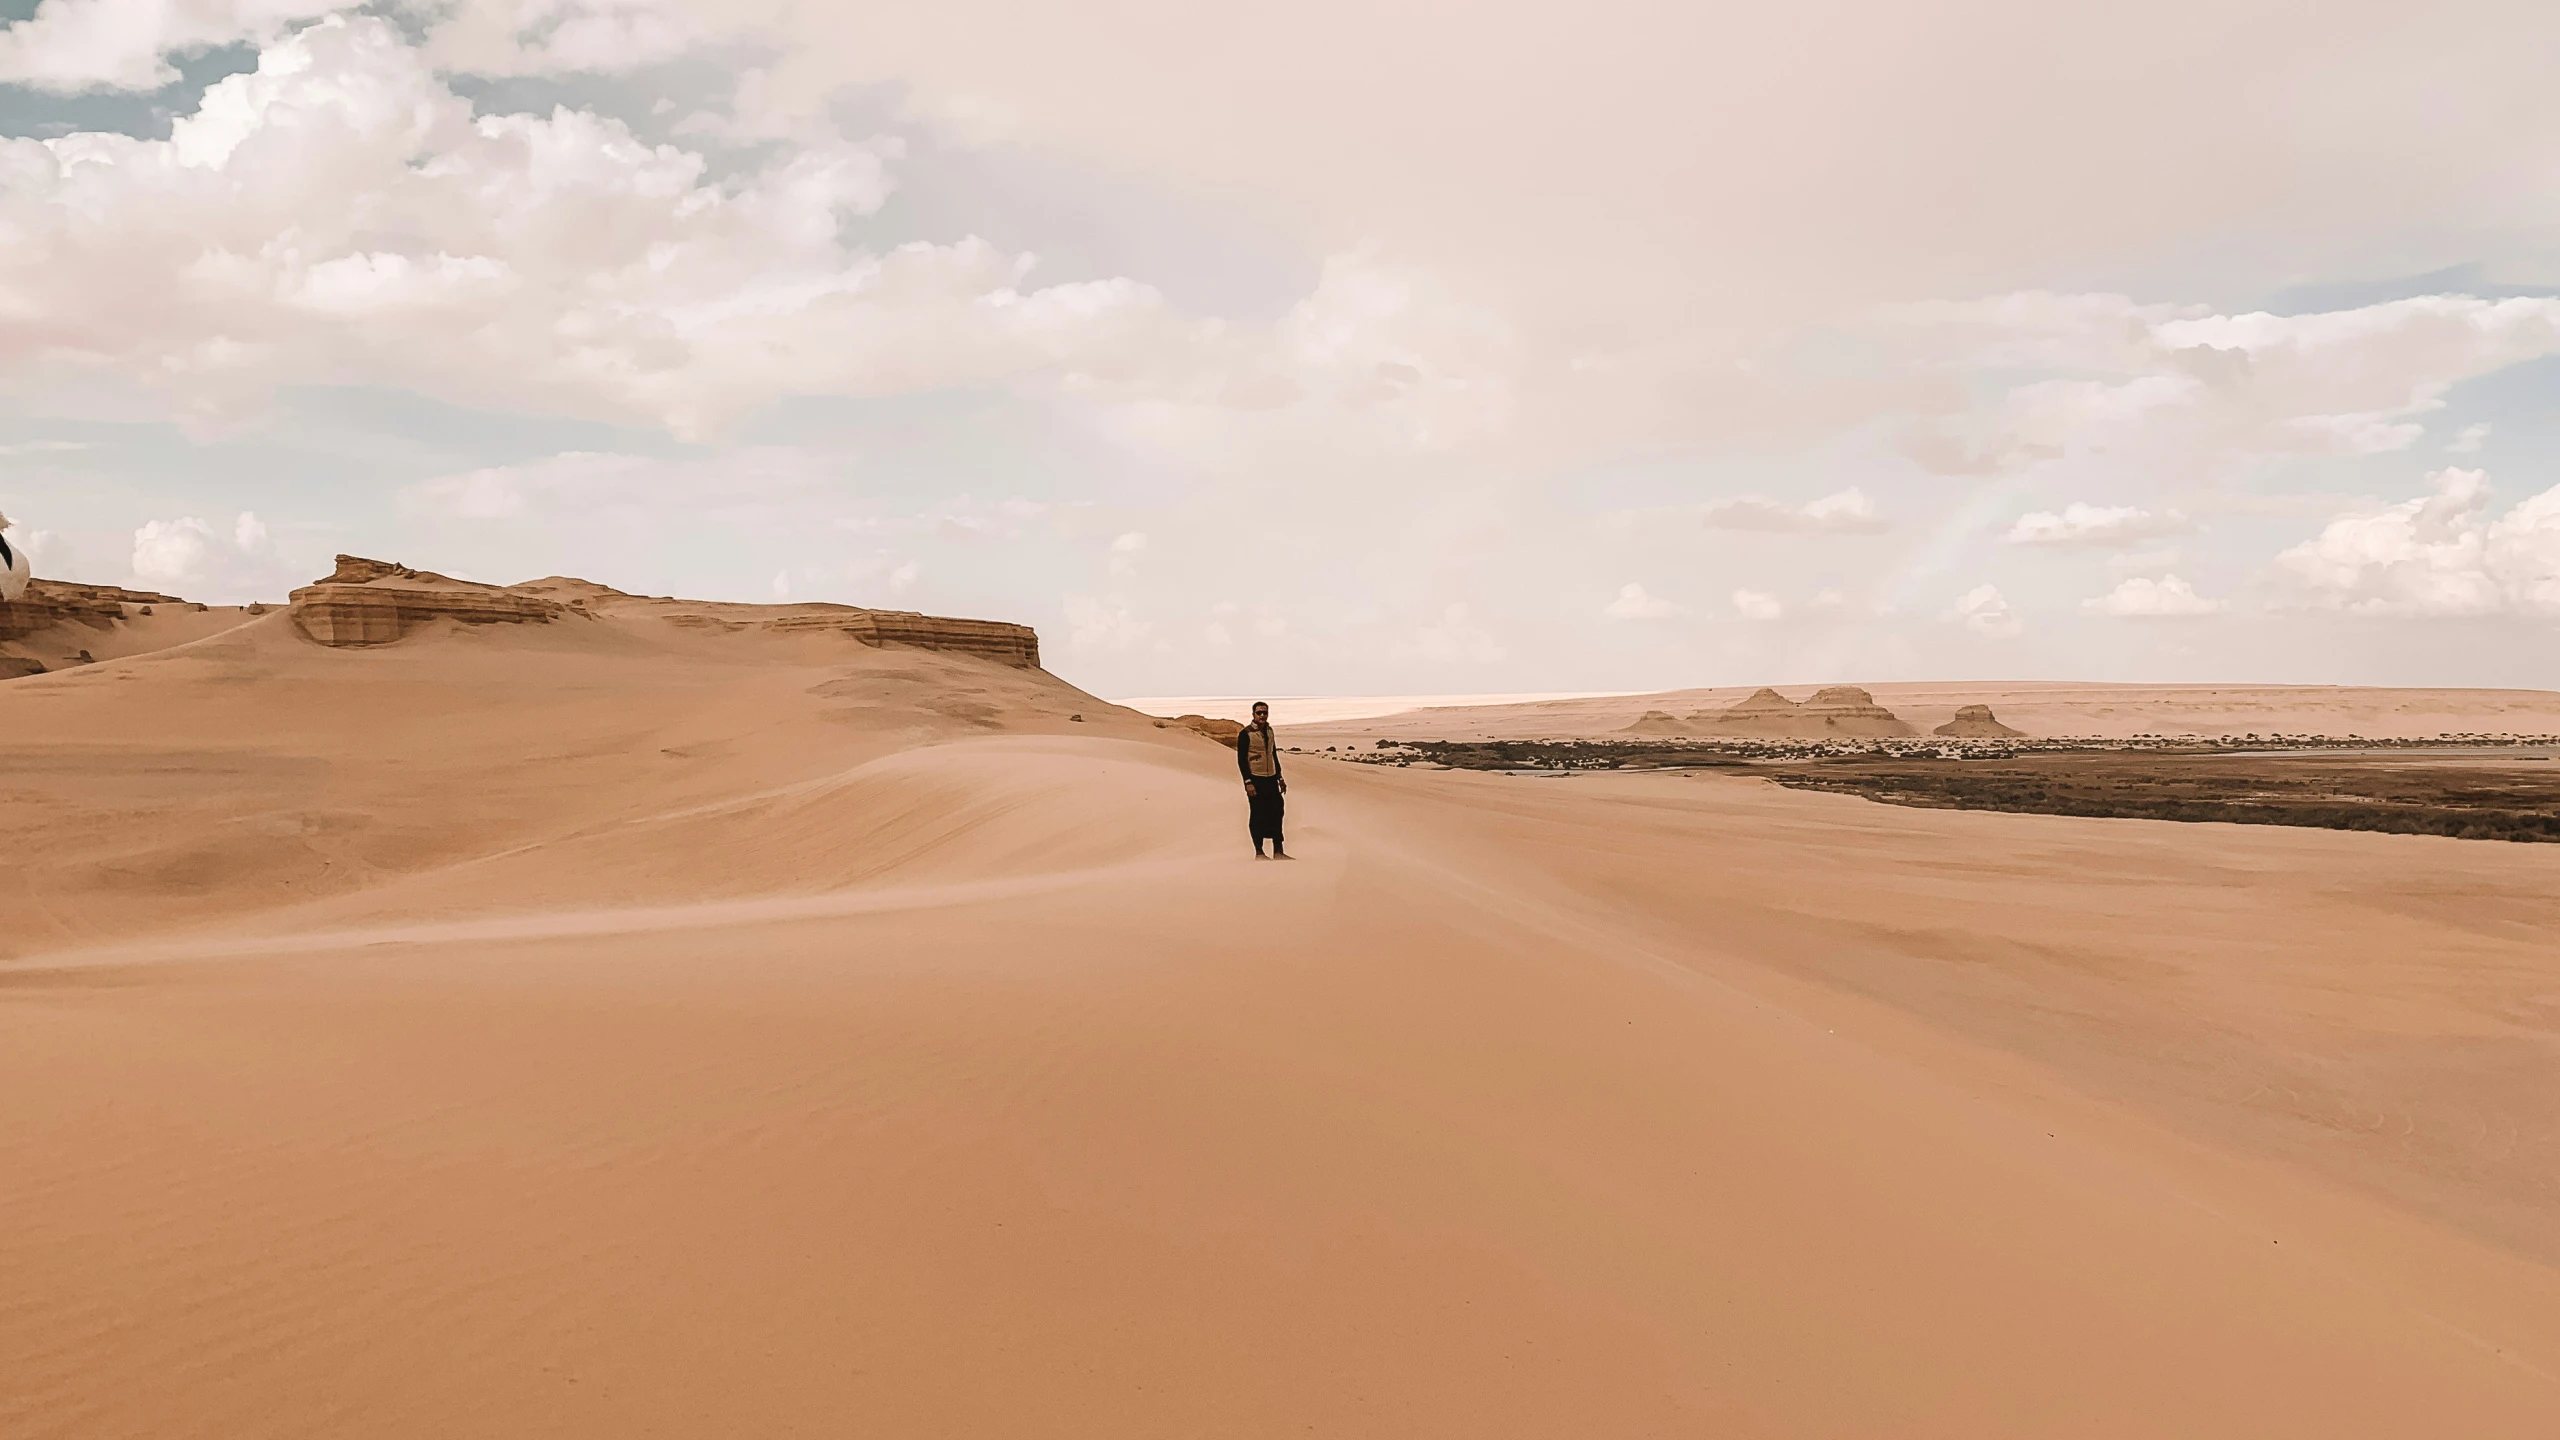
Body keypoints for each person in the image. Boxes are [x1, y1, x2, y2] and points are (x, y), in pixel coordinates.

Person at [1235, 700, 1289, 859]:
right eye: (1259, 712)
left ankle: (1278, 851)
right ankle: (1259, 852)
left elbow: (1273, 755)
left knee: (1277, 811)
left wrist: (1280, 777)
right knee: (1258, 813)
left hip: (1271, 778)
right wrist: (1248, 782)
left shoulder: (1270, 731)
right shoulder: (1246, 734)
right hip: (1256, 779)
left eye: (1265, 712)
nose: (1262, 715)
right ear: (1253, 714)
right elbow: (1241, 760)